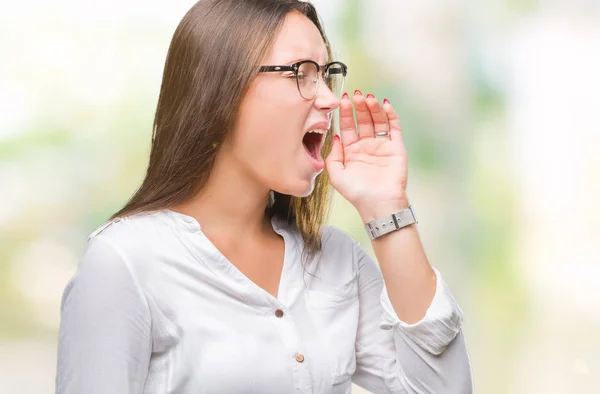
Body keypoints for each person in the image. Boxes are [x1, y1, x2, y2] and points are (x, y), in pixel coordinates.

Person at [55, 0, 473, 393]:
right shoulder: (126, 261)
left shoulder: (337, 260)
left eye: (327, 75)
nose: (329, 98)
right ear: (220, 89)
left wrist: (386, 206)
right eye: (302, 73)